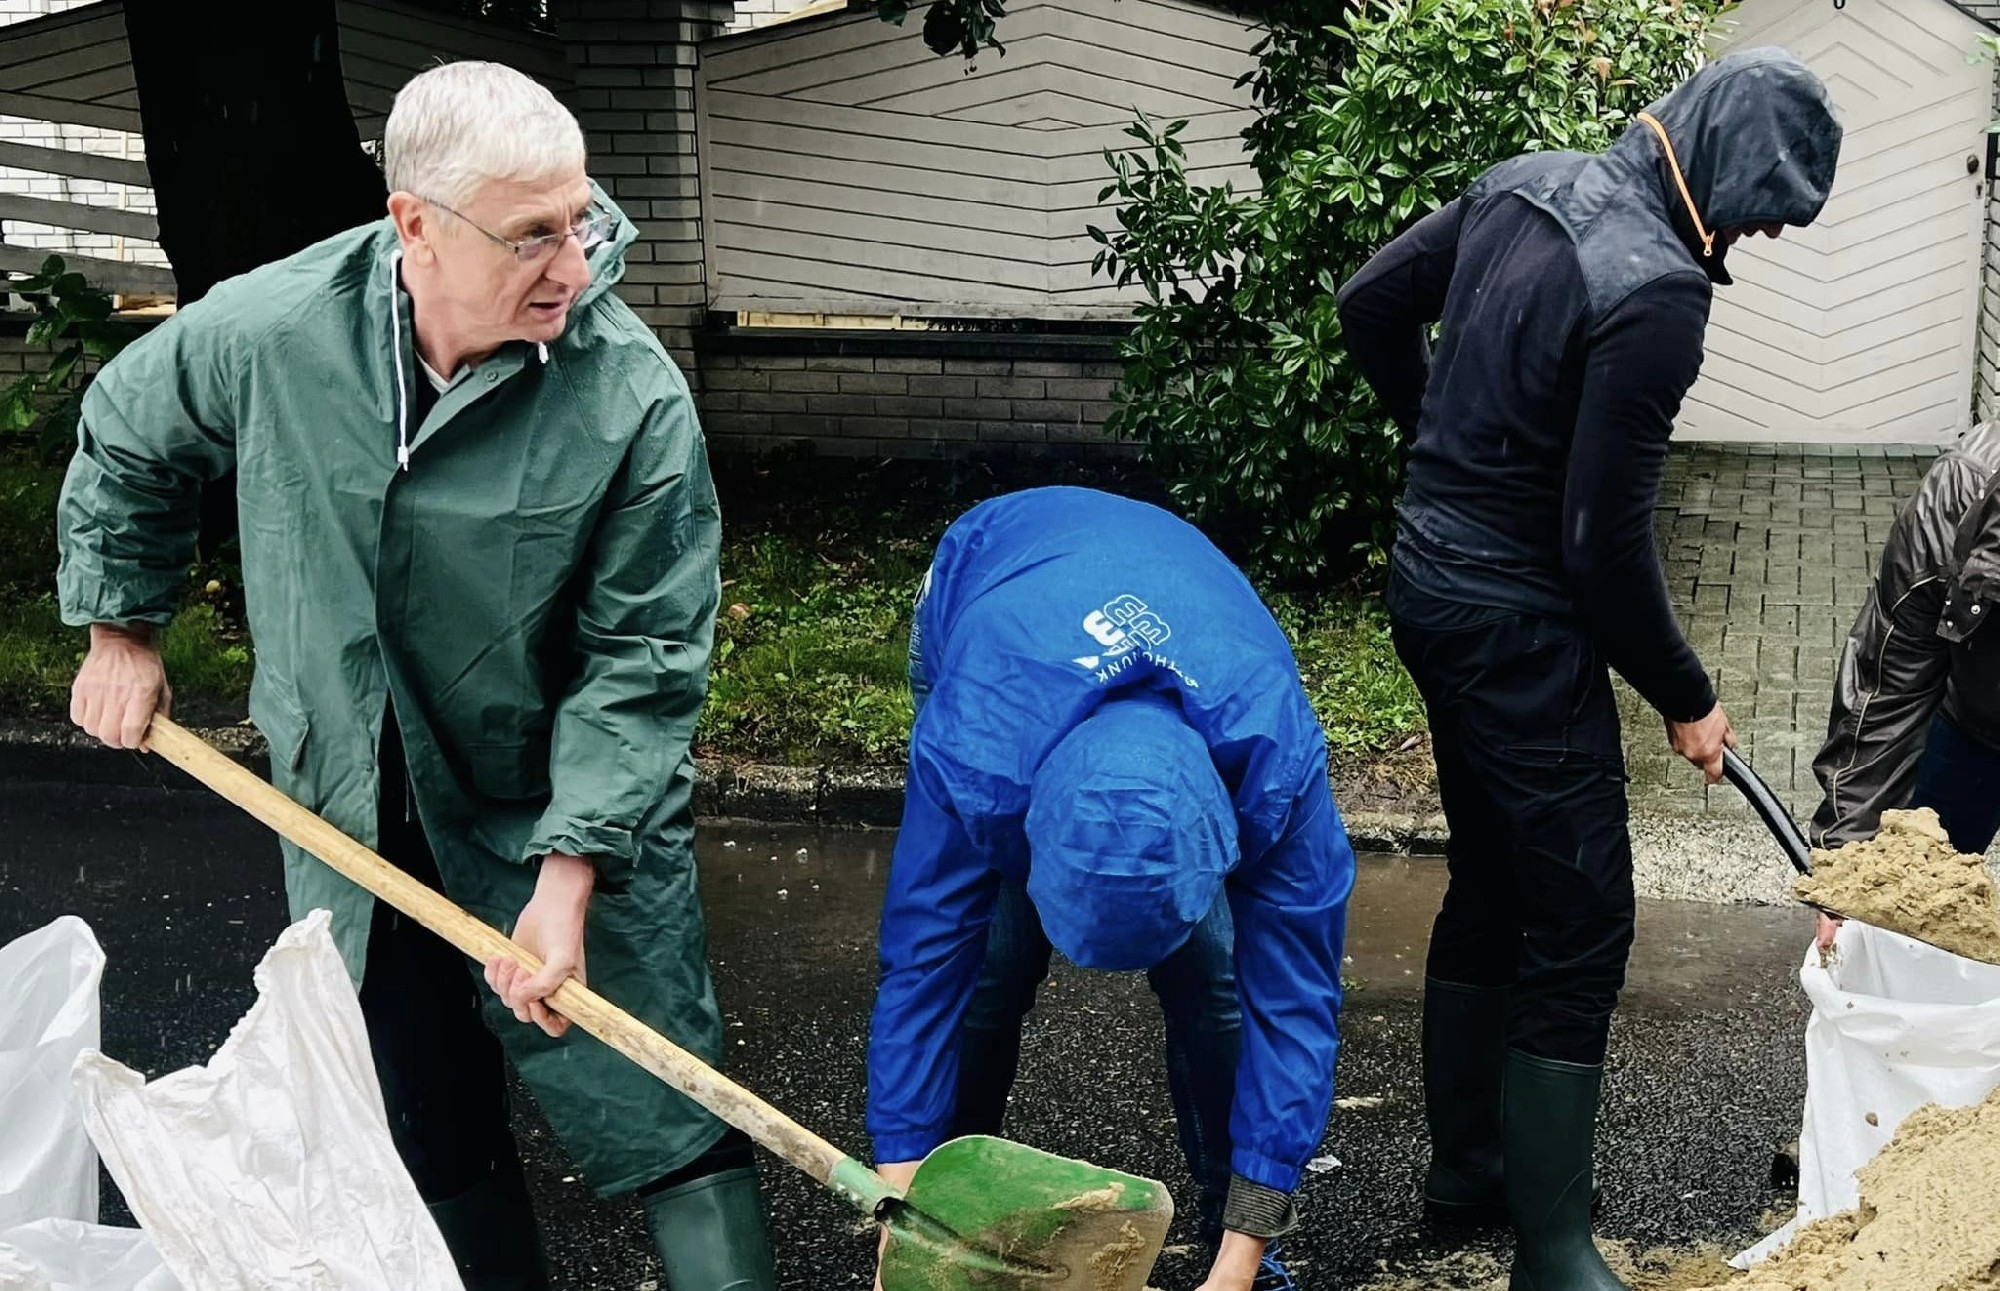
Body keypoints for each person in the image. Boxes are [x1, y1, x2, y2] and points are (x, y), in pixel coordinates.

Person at [56, 61, 775, 1291]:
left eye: (581, 217)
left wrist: (569, 878)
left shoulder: (629, 394)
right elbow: (130, 423)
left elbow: (642, 657)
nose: (574, 264)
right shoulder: (280, 330)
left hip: (552, 793)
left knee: (660, 1098)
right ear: (415, 227)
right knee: (420, 1106)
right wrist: (122, 626)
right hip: (352, 801)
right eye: (533, 234)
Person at [1337, 48, 1841, 1291]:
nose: (1755, 234)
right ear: (1722, 164)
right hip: (1511, 626)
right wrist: (1686, 691)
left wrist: (1442, 452)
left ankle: (1469, 1176)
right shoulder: (1655, 290)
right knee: (1580, 917)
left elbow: (1366, 304)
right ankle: (1551, 1251)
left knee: (1498, 879)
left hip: (1427, 592)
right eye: (1760, 207)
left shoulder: (1526, 183)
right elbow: (1596, 544)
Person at [866, 486, 1356, 1291]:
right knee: (989, 959)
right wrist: (902, 1199)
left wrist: (1243, 1256)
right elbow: (923, 962)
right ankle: (949, 1220)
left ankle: (1230, 1241)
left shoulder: (1276, 764)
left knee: (1216, 975)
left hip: (1196, 609)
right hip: (996, 576)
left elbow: (1295, 1005)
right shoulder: (973, 746)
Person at [1807, 422, 2000, 947]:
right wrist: (1849, 869)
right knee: (1916, 916)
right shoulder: (1958, 496)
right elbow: (1889, 689)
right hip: (1980, 728)